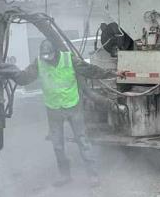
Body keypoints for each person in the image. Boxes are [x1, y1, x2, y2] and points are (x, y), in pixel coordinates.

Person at [13, 41, 115, 187]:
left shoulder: (69, 59)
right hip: (53, 109)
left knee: (82, 141)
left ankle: (93, 175)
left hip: (73, 106)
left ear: (56, 52)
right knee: (58, 145)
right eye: (44, 56)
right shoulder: (39, 62)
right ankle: (64, 175)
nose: (46, 59)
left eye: (49, 55)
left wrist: (109, 73)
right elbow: (25, 78)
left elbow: (90, 70)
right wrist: (10, 73)